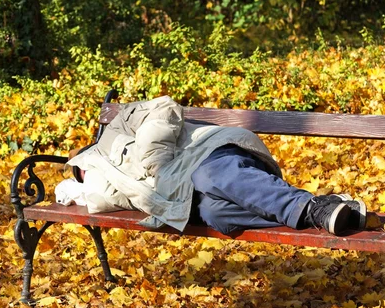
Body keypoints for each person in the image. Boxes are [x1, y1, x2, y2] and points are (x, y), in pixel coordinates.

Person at [61, 96, 367, 235]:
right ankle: (326, 212)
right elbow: (106, 200)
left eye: (83, 170)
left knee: (208, 175)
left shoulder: (118, 126)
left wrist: (156, 164)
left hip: (209, 151)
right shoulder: (104, 179)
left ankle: (313, 209)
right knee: (214, 213)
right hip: (184, 196)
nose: (86, 175)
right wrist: (82, 190)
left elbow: (162, 109)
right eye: (83, 176)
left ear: (87, 153)